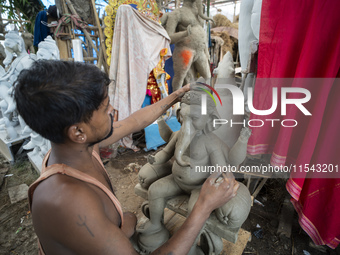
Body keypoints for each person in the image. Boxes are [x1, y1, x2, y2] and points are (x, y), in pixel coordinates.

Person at [14, 59, 238, 255]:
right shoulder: (68, 201)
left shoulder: (77, 146)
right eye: (104, 107)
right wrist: (203, 207)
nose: (112, 110)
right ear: (78, 132)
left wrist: (178, 94)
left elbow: (134, 122)